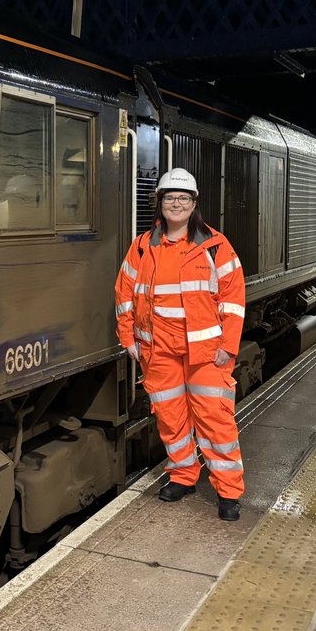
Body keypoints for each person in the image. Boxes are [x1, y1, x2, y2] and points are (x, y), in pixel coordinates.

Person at [114, 168, 246, 521]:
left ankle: (229, 492)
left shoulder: (215, 246)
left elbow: (233, 300)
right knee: (171, 420)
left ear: (194, 204)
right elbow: (124, 294)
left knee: (215, 422)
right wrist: (128, 338)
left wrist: (228, 345)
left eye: (183, 198)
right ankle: (184, 476)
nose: (176, 204)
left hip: (205, 353)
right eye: (169, 198)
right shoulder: (142, 246)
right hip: (157, 351)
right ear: (160, 203)